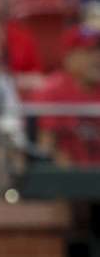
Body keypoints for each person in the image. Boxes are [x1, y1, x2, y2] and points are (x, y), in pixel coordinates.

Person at [30, 27, 100, 165]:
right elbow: (47, 147)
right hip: (67, 177)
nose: (97, 58)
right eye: (89, 52)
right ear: (69, 57)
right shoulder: (51, 91)